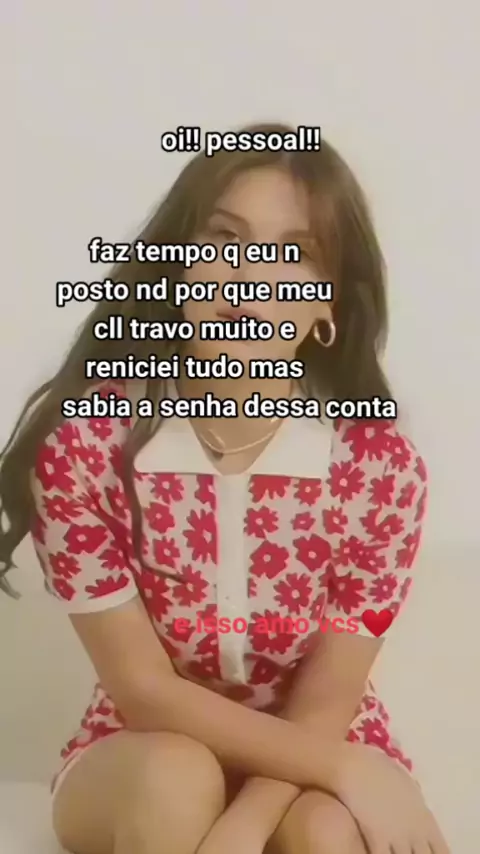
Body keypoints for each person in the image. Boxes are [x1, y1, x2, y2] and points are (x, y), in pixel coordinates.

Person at [0, 123, 449, 854]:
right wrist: (341, 770)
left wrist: (244, 827)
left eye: (294, 252)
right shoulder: (85, 445)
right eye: (222, 239)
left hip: (318, 741)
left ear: (330, 308)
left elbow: (328, 699)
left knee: (329, 830)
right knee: (176, 782)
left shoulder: (379, 469)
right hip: (143, 745)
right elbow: (142, 689)